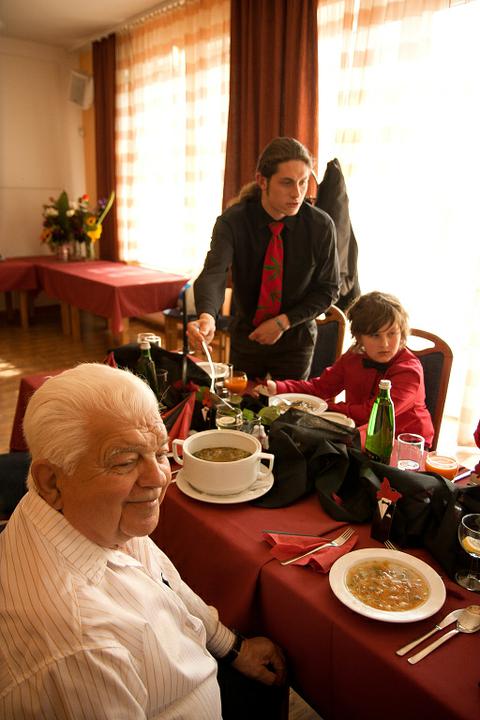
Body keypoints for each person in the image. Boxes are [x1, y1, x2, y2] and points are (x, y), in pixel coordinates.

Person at [0, 364, 286, 719]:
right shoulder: (81, 646)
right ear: (52, 482)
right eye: (124, 462)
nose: (158, 478)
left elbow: (164, 584)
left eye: (161, 453)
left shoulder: (90, 516)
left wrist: (232, 647)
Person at [188, 136, 340, 380]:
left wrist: (282, 323)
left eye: (303, 182)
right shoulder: (233, 221)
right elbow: (214, 273)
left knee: (287, 404)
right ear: (262, 180)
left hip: (296, 337)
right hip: (247, 335)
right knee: (241, 401)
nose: (297, 193)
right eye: (287, 183)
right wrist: (207, 316)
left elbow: (329, 289)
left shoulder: (320, 226)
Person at [256, 291, 434, 447]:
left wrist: (324, 407)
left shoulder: (408, 371)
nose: (385, 344)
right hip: (358, 433)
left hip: (405, 444)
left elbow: (373, 414)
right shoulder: (354, 356)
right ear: (359, 337)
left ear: (401, 332)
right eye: (375, 335)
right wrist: (278, 387)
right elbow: (321, 388)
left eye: (392, 333)